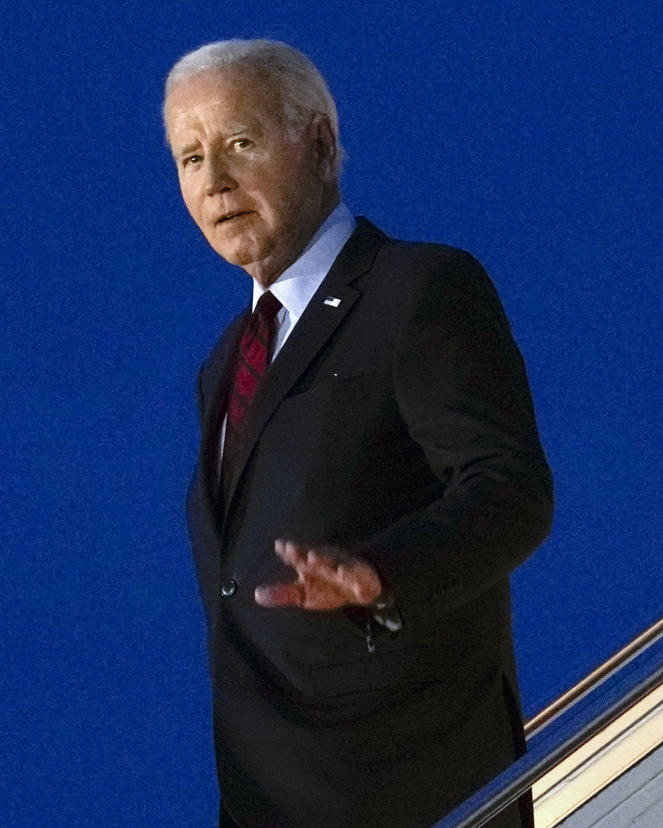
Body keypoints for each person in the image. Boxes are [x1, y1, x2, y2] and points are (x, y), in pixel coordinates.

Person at [166, 39, 552, 828]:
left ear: (319, 142)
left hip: (415, 791)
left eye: (239, 143)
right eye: (190, 157)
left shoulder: (418, 288)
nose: (214, 181)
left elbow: (509, 490)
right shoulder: (224, 366)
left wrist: (383, 573)